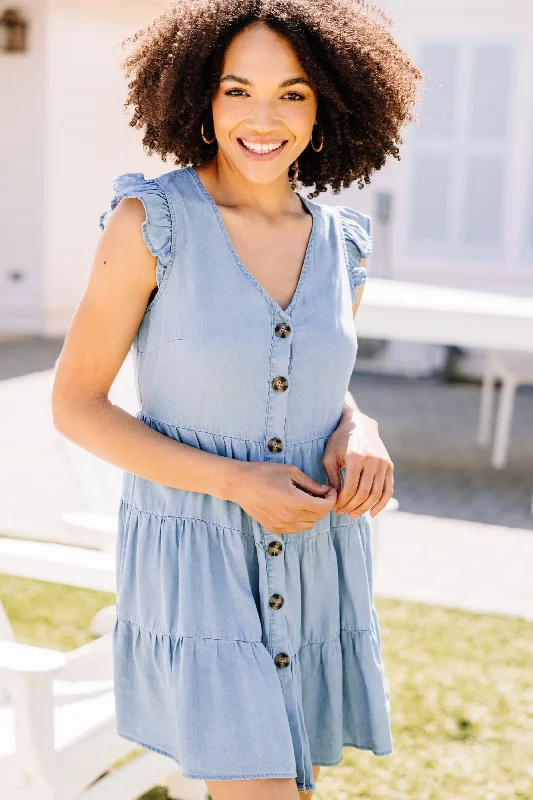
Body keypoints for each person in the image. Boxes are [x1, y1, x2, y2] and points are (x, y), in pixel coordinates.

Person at [52, 1, 421, 798]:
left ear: (328, 104)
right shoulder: (152, 223)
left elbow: (310, 376)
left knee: (295, 783)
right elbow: (76, 404)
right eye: (235, 90)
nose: (263, 118)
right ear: (199, 100)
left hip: (315, 551)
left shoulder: (342, 244)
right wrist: (233, 481)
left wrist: (362, 427)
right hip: (199, 559)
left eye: (291, 93)